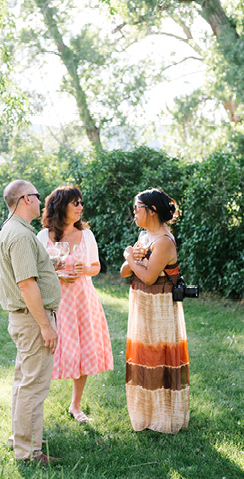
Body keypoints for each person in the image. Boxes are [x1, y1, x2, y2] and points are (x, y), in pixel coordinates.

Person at [0, 180, 61, 466]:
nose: (40, 199)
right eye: (36, 196)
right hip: (32, 320)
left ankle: (21, 441)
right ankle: (30, 453)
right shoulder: (19, 235)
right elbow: (26, 284)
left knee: (24, 383)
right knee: (33, 386)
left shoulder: (11, 230)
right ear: (24, 199)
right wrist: (46, 325)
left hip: (23, 319)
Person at [37, 186, 113, 423]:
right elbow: (38, 271)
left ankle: (75, 405)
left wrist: (83, 269)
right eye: (75, 203)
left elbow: (95, 267)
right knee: (45, 352)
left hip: (81, 300)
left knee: (81, 350)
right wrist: (58, 275)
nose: (81, 207)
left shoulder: (86, 235)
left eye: (81, 203)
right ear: (61, 206)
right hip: (55, 301)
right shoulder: (43, 237)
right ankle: (34, 404)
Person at [121, 188, 189, 433]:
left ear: (152, 211)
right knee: (144, 355)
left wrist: (131, 257)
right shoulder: (144, 236)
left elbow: (149, 277)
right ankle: (145, 415)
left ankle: (163, 418)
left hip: (158, 303)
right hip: (142, 303)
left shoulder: (163, 242)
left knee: (158, 356)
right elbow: (124, 272)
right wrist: (132, 258)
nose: (134, 213)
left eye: (137, 208)